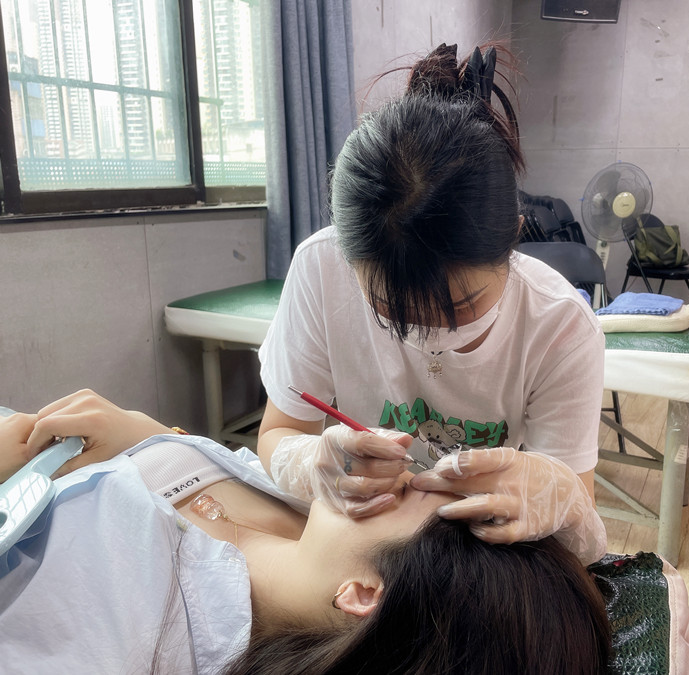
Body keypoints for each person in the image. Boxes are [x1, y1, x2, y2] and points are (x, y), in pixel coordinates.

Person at [257, 42, 607, 563]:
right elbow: (279, 432)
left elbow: (575, 521)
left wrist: (561, 501)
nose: (429, 335)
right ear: (347, 257)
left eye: (462, 305)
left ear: (512, 239)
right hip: (362, 541)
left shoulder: (560, 326)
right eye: (390, 307)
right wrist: (310, 463)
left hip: (475, 560)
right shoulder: (320, 268)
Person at [1, 390, 613, 674]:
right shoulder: (307, 521)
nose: (409, 471)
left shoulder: (129, 629)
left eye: (414, 492)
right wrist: (153, 436)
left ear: (364, 594)